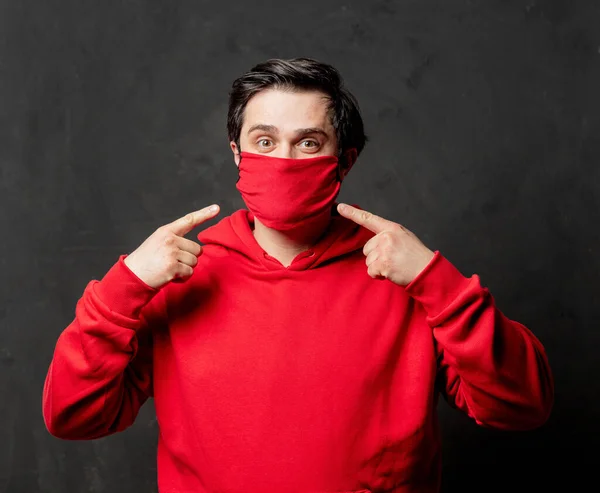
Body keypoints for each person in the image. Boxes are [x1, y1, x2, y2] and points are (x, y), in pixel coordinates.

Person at [42, 57, 554, 493]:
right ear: (237, 153)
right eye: (264, 141)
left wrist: (435, 280)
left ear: (344, 161)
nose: (283, 160)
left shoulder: (408, 278)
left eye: (308, 143)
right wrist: (122, 289)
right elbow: (73, 418)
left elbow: (522, 406)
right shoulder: (178, 280)